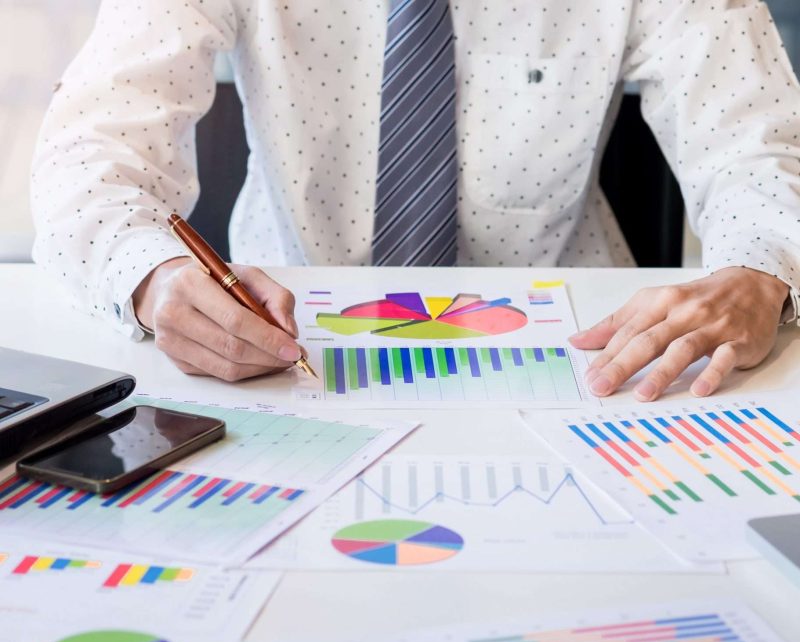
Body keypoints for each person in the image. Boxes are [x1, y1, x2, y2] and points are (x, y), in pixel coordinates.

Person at [31, 1, 800, 400]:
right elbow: (92, 147)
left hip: (588, 365)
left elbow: (758, 144)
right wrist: (150, 276)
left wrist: (762, 271)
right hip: (285, 359)